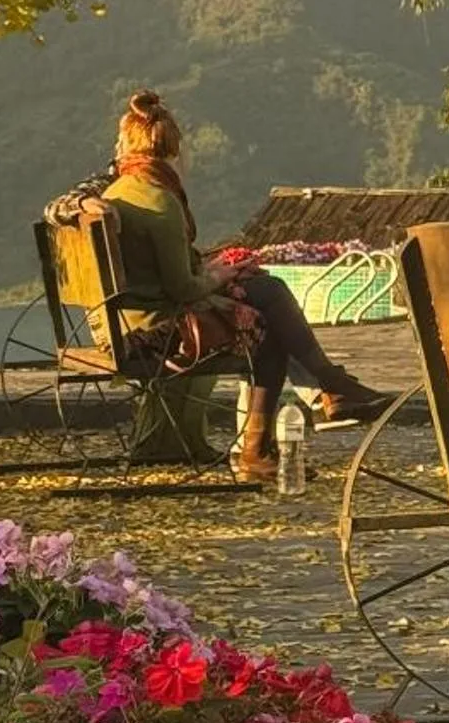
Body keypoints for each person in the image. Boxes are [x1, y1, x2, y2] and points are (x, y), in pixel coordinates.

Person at [104, 90, 390, 484]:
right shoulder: (160, 202)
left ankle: (329, 392)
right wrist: (217, 276)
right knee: (268, 316)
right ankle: (316, 399)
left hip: (127, 323)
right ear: (171, 150)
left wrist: (216, 269)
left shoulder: (117, 192)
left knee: (264, 289)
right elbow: (184, 289)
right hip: (160, 332)